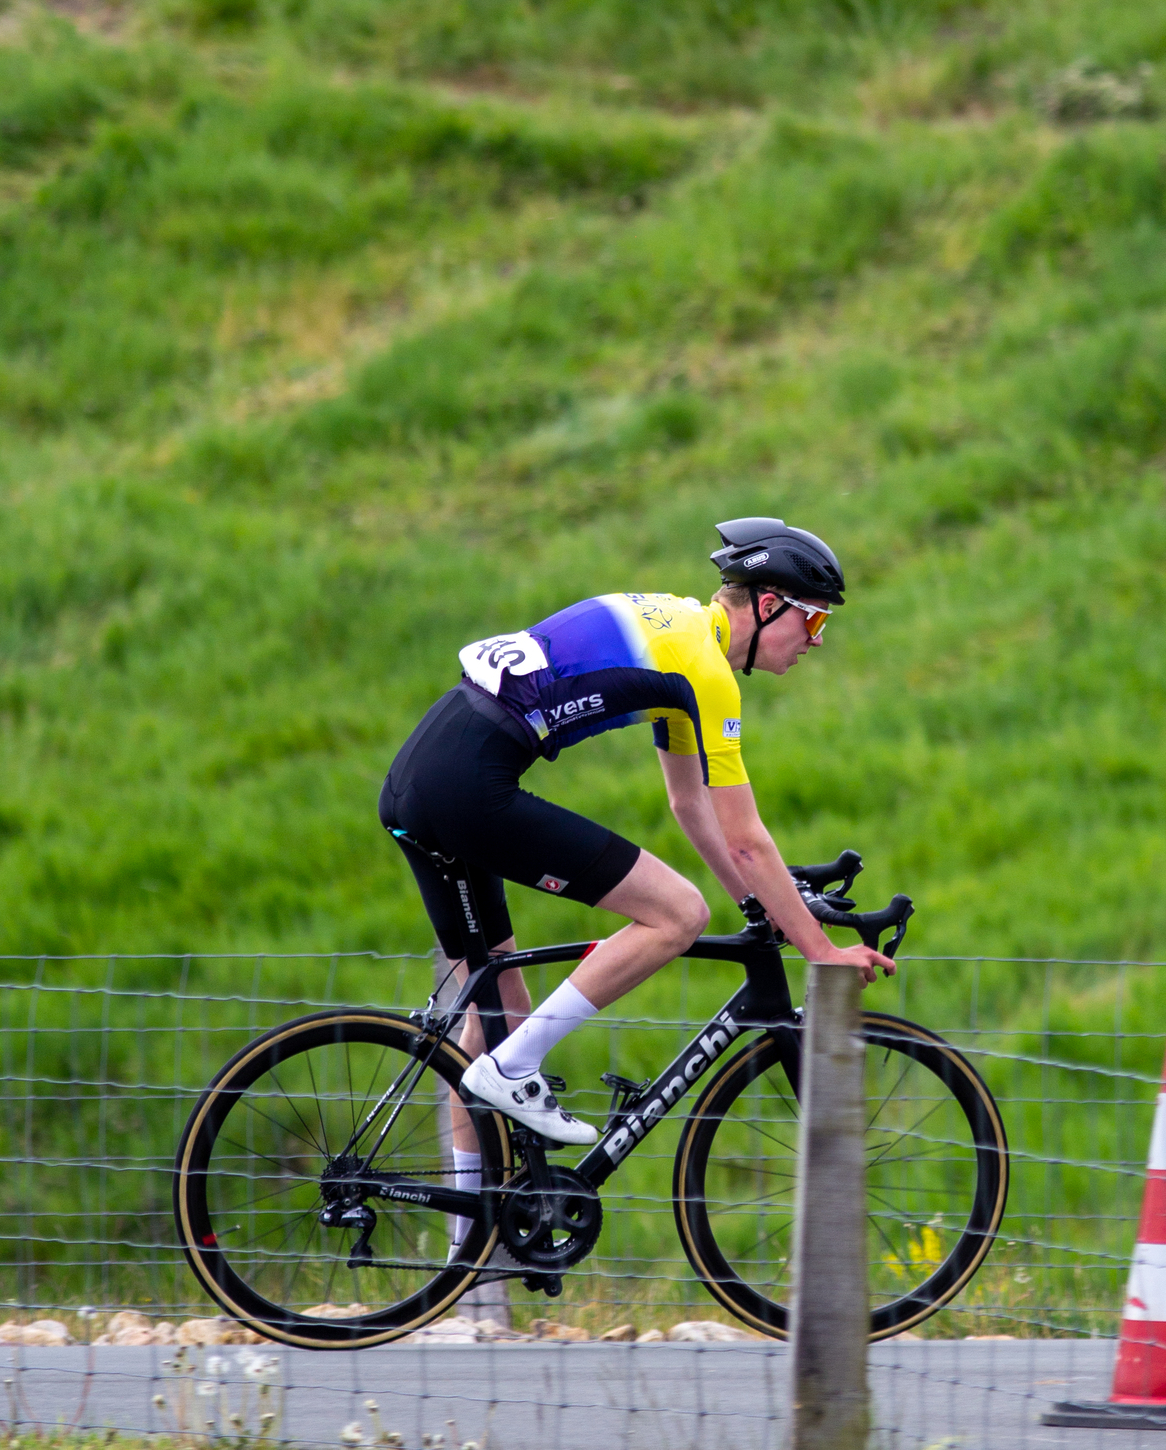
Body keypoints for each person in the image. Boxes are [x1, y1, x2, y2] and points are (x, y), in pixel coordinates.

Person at [378, 519, 893, 1222]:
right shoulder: (706, 674)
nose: (818, 639)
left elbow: (690, 805)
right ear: (769, 603)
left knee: (499, 1012)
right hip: (468, 784)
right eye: (813, 619)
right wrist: (820, 950)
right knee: (679, 913)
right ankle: (511, 1071)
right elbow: (746, 839)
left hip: (422, 777)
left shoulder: (682, 634)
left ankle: (462, 1259)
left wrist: (762, 906)